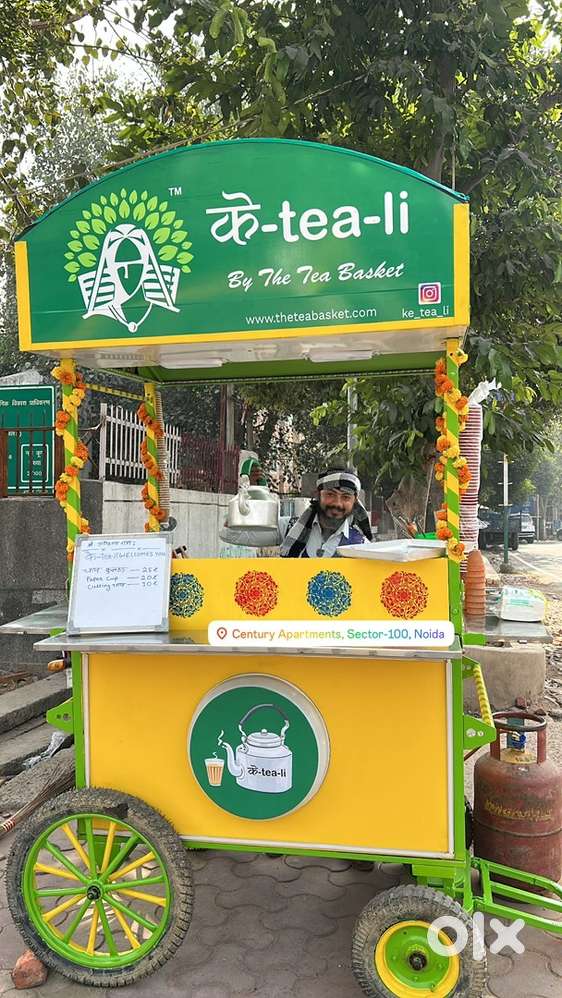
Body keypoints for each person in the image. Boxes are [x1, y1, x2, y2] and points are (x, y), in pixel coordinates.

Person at [280, 467, 372, 558]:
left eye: (346, 497)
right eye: (330, 494)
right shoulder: (287, 528)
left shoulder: (361, 546)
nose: (337, 504)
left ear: (354, 502)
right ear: (317, 495)